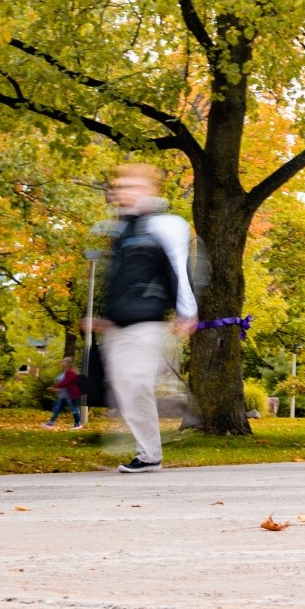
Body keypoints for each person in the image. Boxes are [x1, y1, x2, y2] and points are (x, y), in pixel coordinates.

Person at [94, 162, 199, 473]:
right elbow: (114, 279)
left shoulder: (166, 225)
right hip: (119, 322)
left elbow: (180, 269)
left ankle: (150, 454)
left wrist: (187, 312)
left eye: (132, 185)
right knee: (124, 386)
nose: (123, 192)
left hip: (148, 319)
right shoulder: (119, 229)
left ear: (149, 189)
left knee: (137, 382)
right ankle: (148, 452)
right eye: (120, 186)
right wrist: (105, 317)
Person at [44, 357, 85, 429]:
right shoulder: (66, 372)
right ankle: (51, 423)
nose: (61, 362)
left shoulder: (71, 372)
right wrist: (56, 388)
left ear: (67, 363)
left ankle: (78, 424)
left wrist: (54, 387)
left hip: (71, 395)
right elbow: (64, 382)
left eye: (63, 361)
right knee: (57, 408)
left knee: (74, 409)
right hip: (64, 395)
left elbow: (65, 383)